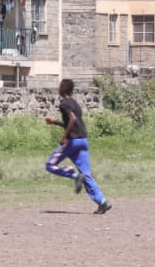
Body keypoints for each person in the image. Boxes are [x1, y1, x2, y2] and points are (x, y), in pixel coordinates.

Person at [44, 78, 112, 215]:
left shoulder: (64, 104)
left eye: (60, 85)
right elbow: (74, 122)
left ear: (64, 88)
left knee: (50, 165)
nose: (58, 87)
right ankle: (102, 202)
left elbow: (72, 119)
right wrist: (55, 122)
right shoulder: (75, 103)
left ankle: (75, 176)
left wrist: (64, 136)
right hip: (83, 140)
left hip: (72, 141)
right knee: (86, 174)